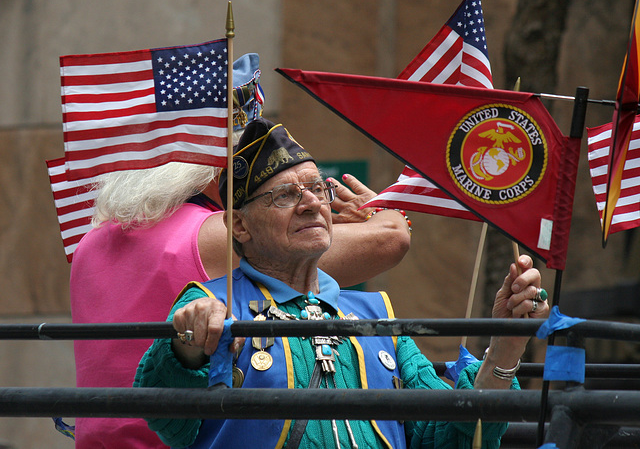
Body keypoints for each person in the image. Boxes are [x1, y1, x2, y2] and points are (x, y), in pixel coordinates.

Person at [134, 117, 549, 449]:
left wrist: (507, 345)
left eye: (317, 189)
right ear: (239, 225)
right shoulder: (212, 301)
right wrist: (187, 344)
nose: (312, 203)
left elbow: (449, 436)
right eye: (285, 195)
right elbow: (168, 418)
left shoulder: (376, 314)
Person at [69, 56, 411, 448]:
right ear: (221, 169)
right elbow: (385, 242)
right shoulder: (211, 233)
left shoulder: (91, 242)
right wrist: (390, 212)